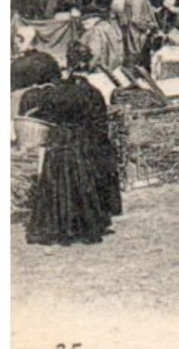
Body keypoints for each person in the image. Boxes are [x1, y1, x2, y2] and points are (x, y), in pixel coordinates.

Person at [24, 43, 123, 246]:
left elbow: (44, 114)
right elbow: (100, 124)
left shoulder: (55, 91)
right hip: (83, 143)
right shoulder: (93, 93)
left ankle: (58, 226)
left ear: (68, 64)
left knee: (56, 184)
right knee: (84, 184)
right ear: (86, 64)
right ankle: (86, 225)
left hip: (59, 142)